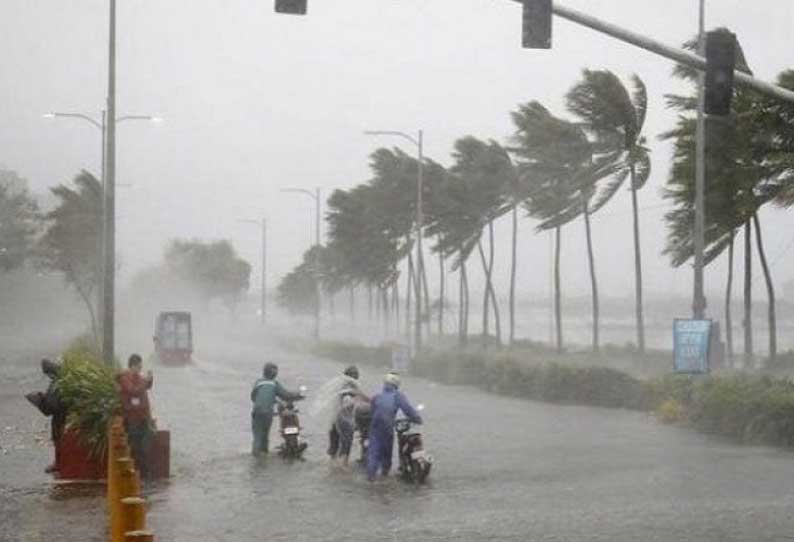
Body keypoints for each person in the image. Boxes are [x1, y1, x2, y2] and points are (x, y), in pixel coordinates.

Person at [367, 371, 422, 482]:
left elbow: (372, 411)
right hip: (387, 428)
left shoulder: (377, 396)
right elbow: (408, 410)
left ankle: (371, 480)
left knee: (374, 454)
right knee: (386, 454)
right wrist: (418, 419)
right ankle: (384, 477)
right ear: (396, 384)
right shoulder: (397, 396)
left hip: (375, 428)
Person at [250, 362, 303, 456]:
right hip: (267, 413)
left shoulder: (258, 382)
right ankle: (263, 453)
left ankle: (256, 456)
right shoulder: (274, 384)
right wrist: (298, 395)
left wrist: (271, 401)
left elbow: (253, 397)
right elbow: (286, 395)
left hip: (256, 411)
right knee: (265, 435)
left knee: (257, 436)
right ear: (274, 374)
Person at [25, 359, 66, 473]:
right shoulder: (63, 380)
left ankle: (59, 463)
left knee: (58, 438)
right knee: (58, 439)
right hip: (64, 415)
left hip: (61, 417)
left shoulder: (56, 384)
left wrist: (39, 400)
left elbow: (51, 408)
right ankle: (59, 462)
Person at [117, 354, 154, 479]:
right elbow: (134, 390)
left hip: (143, 416)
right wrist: (145, 383)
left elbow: (146, 386)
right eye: (138, 366)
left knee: (144, 446)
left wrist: (150, 379)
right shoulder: (125, 378)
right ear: (132, 366)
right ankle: (138, 473)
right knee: (135, 446)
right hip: (132, 418)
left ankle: (144, 473)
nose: (140, 369)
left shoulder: (138, 377)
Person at [327, 365, 368, 467]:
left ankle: (332, 464)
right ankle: (342, 467)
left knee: (334, 445)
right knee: (346, 444)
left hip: (335, 420)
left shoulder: (341, 387)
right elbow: (350, 403)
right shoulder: (351, 389)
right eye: (355, 375)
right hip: (345, 421)